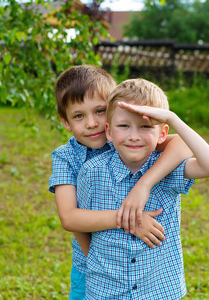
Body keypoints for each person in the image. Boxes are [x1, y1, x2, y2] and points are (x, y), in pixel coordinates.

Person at [48, 66, 193, 299]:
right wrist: (131, 221)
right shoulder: (66, 157)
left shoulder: (126, 139)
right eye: (79, 116)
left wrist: (143, 185)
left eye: (100, 111)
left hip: (144, 269)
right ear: (65, 121)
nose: (92, 123)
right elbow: (70, 218)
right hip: (92, 263)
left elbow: (184, 144)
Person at [77, 78, 209, 299]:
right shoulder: (91, 171)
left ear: (163, 133)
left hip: (158, 290)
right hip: (105, 290)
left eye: (145, 126)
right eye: (124, 126)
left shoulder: (169, 169)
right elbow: (82, 224)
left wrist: (173, 118)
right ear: (108, 131)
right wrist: (96, 264)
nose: (134, 136)